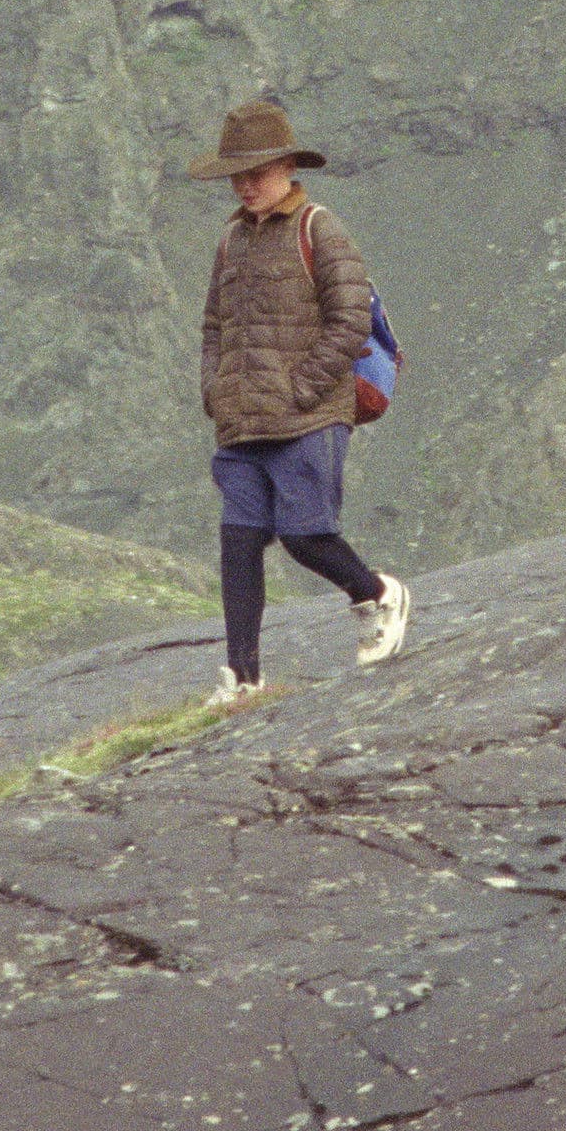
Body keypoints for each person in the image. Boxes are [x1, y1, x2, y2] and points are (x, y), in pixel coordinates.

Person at [189, 99, 409, 703]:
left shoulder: (320, 228)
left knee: (305, 534)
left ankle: (376, 595)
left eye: (256, 171)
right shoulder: (231, 239)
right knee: (238, 545)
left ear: (286, 167)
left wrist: (302, 389)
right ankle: (242, 679)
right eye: (237, 173)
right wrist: (215, 389)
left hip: (309, 418)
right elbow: (213, 325)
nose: (245, 184)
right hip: (241, 425)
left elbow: (352, 321)